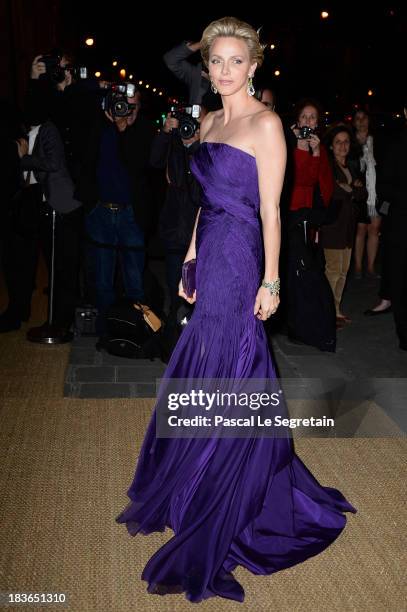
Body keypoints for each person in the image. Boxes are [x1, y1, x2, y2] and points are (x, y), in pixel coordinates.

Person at [116, 17, 356, 603]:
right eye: (215, 62)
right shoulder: (208, 119)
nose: (223, 71)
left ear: (254, 66)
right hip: (211, 252)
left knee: (234, 366)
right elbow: (203, 202)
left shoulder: (268, 123)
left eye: (234, 61)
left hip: (246, 256)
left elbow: (272, 212)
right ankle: (195, 478)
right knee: (204, 365)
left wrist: (272, 280)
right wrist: (190, 259)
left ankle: (229, 488)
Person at [320, 125, 367, 327]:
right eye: (338, 142)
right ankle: (327, 312)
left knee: (343, 271)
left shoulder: (352, 166)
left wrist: (351, 190)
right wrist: (351, 191)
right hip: (332, 226)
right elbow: (334, 194)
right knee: (332, 270)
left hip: (348, 226)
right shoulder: (328, 167)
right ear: (331, 146)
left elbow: (362, 194)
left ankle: (336, 310)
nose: (343, 145)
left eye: (346, 141)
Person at [351, 109, 381, 278]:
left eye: (364, 117)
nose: (361, 121)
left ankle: (370, 267)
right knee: (361, 229)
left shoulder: (377, 140)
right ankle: (357, 267)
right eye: (357, 118)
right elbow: (348, 163)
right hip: (360, 192)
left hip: (375, 191)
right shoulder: (351, 142)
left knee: (374, 229)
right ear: (353, 122)